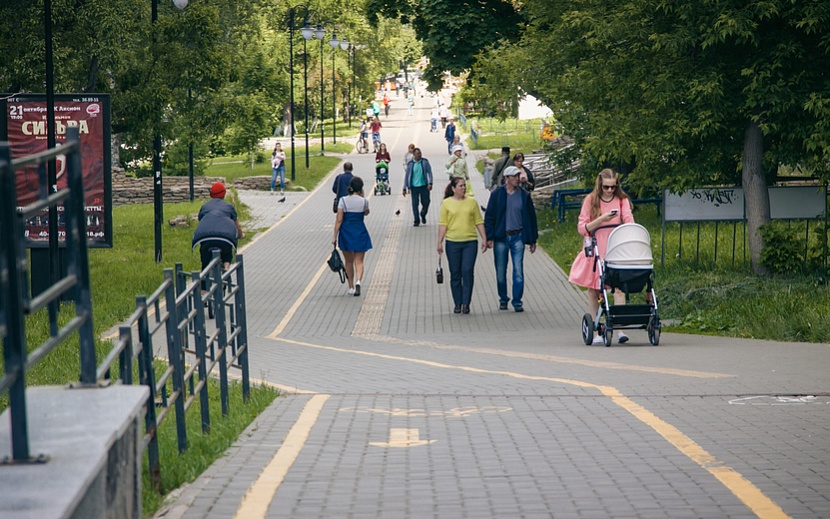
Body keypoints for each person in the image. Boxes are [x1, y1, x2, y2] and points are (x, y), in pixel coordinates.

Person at [568, 168, 635, 344]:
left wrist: (629, 231)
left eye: (613, 187)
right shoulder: (591, 200)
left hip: (615, 246)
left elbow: (628, 219)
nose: (609, 191)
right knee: (593, 289)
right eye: (606, 187)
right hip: (596, 245)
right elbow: (582, 228)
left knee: (618, 288)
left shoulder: (622, 200)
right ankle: (597, 330)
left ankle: (619, 329)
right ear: (600, 185)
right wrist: (601, 219)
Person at [484, 166, 539, 312]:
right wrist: (489, 237)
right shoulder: (497, 194)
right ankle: (503, 299)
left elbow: (531, 218)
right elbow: (489, 216)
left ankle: (517, 301)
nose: (517, 179)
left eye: (518, 176)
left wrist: (533, 239)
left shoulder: (524, 195)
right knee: (501, 271)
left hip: (518, 237)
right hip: (501, 237)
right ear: (506, 179)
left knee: (518, 270)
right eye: (514, 176)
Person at [437, 177, 488, 314]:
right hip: (452, 242)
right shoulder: (446, 203)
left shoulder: (472, 202)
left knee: (467, 270)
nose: (463, 188)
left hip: (469, 242)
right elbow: (443, 223)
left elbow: (478, 221)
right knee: (455, 273)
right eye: (460, 186)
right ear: (453, 188)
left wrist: (484, 238)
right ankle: (457, 303)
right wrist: (439, 242)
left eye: (464, 186)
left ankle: (466, 303)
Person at [192, 182, 245, 274]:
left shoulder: (205, 207)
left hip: (205, 238)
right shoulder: (229, 207)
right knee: (227, 253)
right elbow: (237, 226)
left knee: (205, 261)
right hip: (225, 238)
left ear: (211, 194)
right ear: (224, 194)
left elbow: (201, 221)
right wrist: (241, 235)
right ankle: (226, 270)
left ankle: (204, 287)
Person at [333, 176, 372, 296]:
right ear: (361, 188)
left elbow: (339, 220)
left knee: (348, 261)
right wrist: (362, 196)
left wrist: (334, 236)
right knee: (359, 261)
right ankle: (358, 281)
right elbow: (366, 212)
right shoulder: (364, 201)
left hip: (346, 232)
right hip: (360, 230)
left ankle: (350, 287)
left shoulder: (343, 200)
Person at [402, 147, 434, 227]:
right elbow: (407, 176)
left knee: (426, 202)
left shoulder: (425, 162)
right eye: (417, 154)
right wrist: (404, 188)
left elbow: (430, 173)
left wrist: (430, 183)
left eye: (420, 153)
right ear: (414, 155)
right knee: (415, 204)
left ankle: (423, 214)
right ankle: (416, 220)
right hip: (414, 187)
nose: (419, 155)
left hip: (424, 186)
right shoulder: (410, 164)